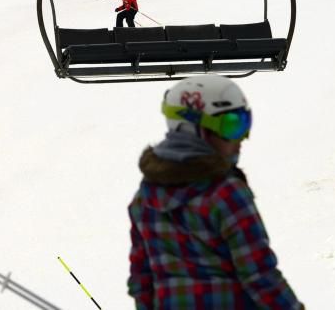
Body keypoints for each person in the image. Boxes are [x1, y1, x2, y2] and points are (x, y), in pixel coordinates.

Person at [128, 76, 303, 308]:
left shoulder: (145, 199)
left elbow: (142, 281)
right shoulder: (225, 194)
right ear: (194, 128)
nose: (242, 138)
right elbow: (259, 276)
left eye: (245, 123)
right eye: (232, 126)